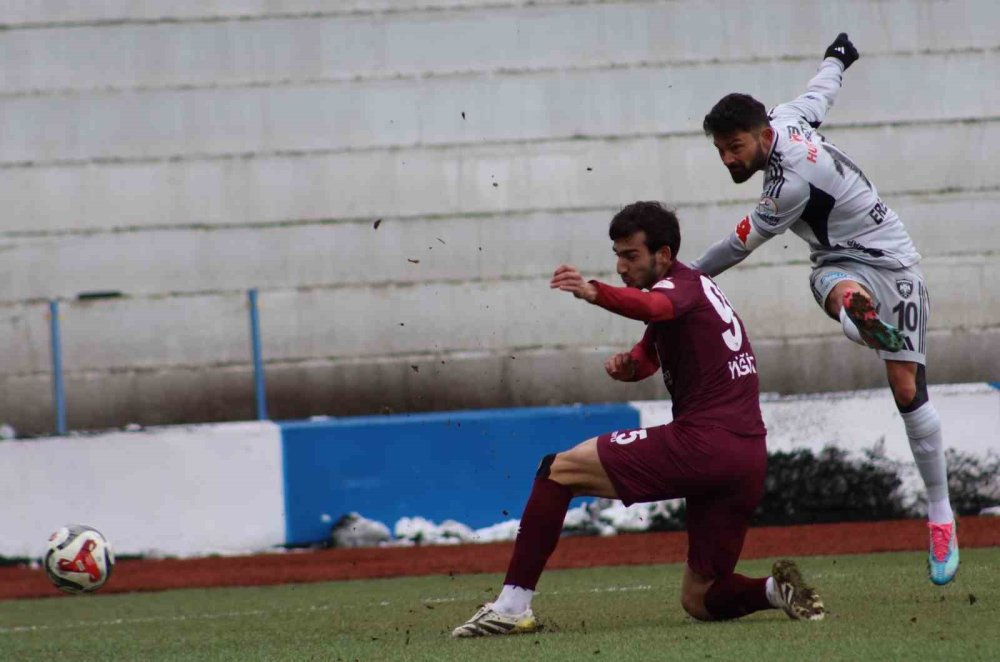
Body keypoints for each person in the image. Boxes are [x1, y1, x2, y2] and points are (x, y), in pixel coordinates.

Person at [451, 201, 824, 638]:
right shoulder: (691, 289)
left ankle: (512, 606)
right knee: (701, 598)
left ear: (663, 255)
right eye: (617, 255)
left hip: (704, 444)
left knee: (557, 470)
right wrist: (628, 366)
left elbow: (656, 310)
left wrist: (594, 292)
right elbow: (651, 347)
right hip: (745, 458)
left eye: (630, 256)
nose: (621, 266)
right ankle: (773, 592)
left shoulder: (679, 287)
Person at [691, 33, 958, 585]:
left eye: (734, 147)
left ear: (763, 135)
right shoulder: (786, 118)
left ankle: (941, 514)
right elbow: (820, 94)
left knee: (907, 390)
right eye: (720, 149)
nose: (728, 159)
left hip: (896, 262)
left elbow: (738, 246)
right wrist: (838, 57)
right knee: (835, 284)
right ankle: (858, 318)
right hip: (839, 260)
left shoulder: (786, 185)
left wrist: (681, 279)